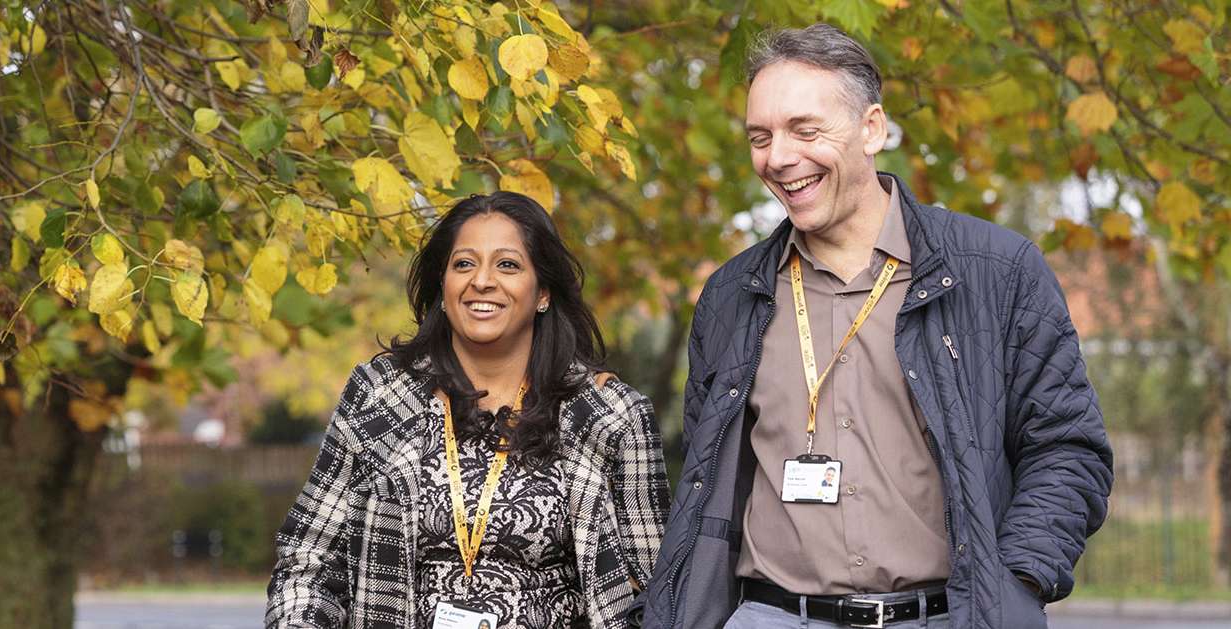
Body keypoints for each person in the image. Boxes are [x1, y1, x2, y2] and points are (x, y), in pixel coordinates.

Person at [644, 24, 1114, 629]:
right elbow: (708, 482)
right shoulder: (730, 296)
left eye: (804, 130)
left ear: (872, 129)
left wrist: (1016, 582)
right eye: (760, 137)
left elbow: (1067, 448)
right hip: (771, 615)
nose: (779, 157)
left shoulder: (998, 272)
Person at [267, 192, 669, 628]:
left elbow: (656, 590)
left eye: (508, 265)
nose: (482, 281)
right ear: (443, 285)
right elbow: (307, 559)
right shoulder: (378, 397)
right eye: (464, 264)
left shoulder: (609, 415)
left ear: (543, 293)